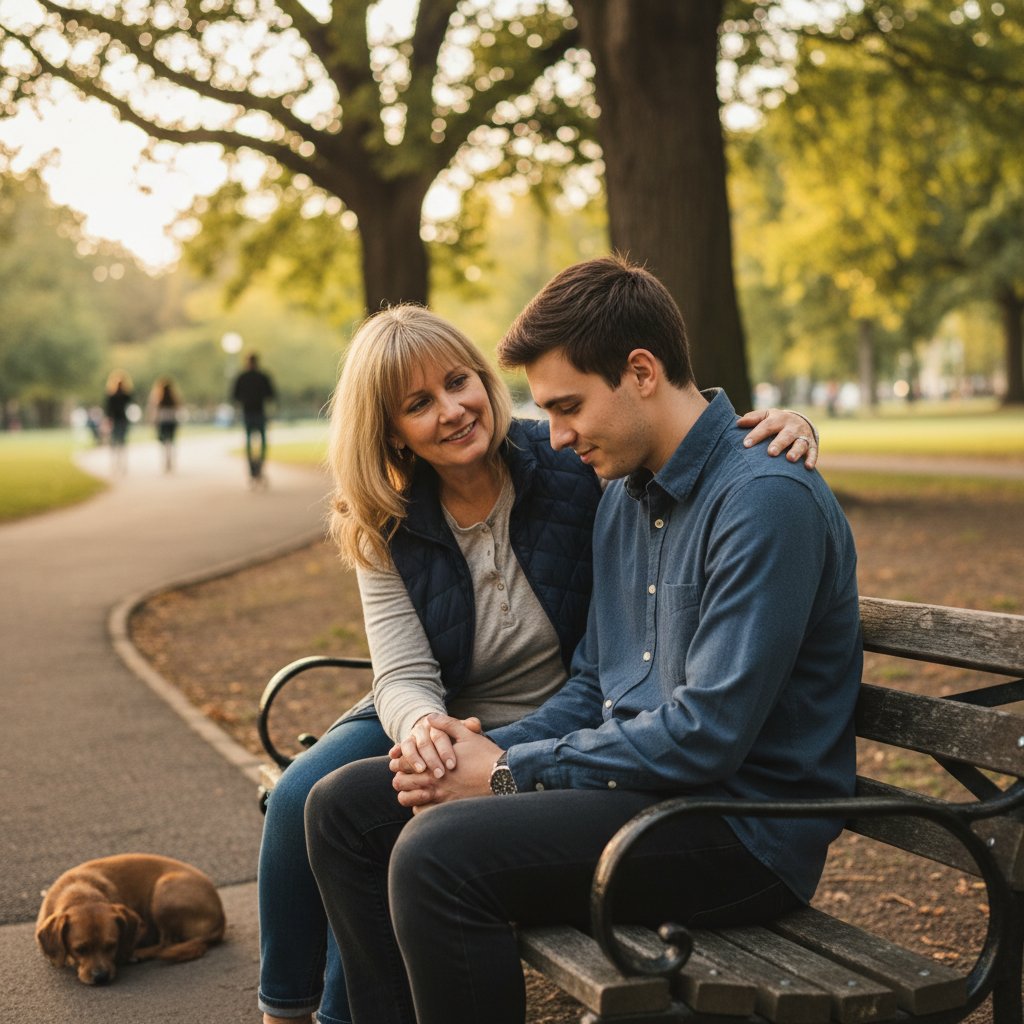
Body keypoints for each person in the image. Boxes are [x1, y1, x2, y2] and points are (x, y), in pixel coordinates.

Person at [303, 259, 862, 1024]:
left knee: (438, 859)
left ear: (640, 372)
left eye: (567, 407)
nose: (557, 438)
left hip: (737, 830)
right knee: (344, 807)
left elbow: (708, 738)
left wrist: (507, 771)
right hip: (645, 793)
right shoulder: (625, 499)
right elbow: (595, 681)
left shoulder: (765, 501)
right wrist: (481, 752)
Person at [232, 353, 276, 485]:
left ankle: (254, 470)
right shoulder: (262, 377)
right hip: (258, 412)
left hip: (249, 413)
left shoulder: (242, 377)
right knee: (261, 443)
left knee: (251, 443)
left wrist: (246, 399)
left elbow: (235, 396)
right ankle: (257, 469)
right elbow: (271, 394)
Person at [103, 371, 134, 474]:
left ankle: (119, 463)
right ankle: (117, 463)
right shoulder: (113, 396)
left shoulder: (124, 395)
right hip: (117, 420)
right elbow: (108, 410)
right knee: (118, 441)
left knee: (119, 441)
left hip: (121, 420)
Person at [148, 377, 181, 473]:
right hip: (171, 421)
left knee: (164, 442)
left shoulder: (159, 398)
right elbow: (178, 408)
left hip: (163, 422)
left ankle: (166, 460)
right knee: (171, 441)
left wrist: (153, 421)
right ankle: (169, 459)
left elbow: (155, 411)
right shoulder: (173, 398)